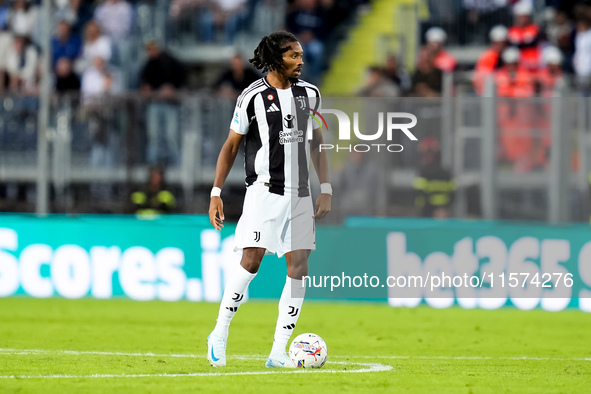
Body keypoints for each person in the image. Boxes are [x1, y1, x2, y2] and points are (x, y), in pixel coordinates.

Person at [206, 31, 331, 368]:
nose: (301, 61)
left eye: (302, 55)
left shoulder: (311, 95)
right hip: (264, 193)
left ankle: (278, 351)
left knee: (299, 268)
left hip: (301, 196)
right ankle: (219, 332)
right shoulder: (252, 97)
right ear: (277, 58)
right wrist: (216, 193)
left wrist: (327, 187)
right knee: (252, 261)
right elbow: (231, 146)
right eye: (294, 56)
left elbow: (318, 142)